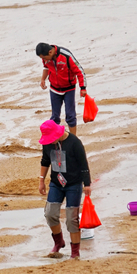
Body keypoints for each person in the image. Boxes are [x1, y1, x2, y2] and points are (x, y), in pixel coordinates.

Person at [38, 119, 92, 259]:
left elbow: (83, 164)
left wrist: (87, 184)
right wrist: (41, 180)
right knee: (50, 213)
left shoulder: (74, 142)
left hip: (74, 184)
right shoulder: (48, 144)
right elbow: (45, 161)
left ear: (57, 133)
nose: (49, 142)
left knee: (71, 219)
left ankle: (75, 252)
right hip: (56, 183)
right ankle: (59, 242)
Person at [35, 42, 87, 137]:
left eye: (44, 58)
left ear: (50, 52)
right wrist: (43, 79)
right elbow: (46, 67)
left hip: (69, 89)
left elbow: (79, 71)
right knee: (54, 117)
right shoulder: (46, 59)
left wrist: (83, 87)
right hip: (54, 89)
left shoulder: (66, 55)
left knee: (70, 115)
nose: (43, 60)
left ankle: (73, 139)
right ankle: (54, 138)